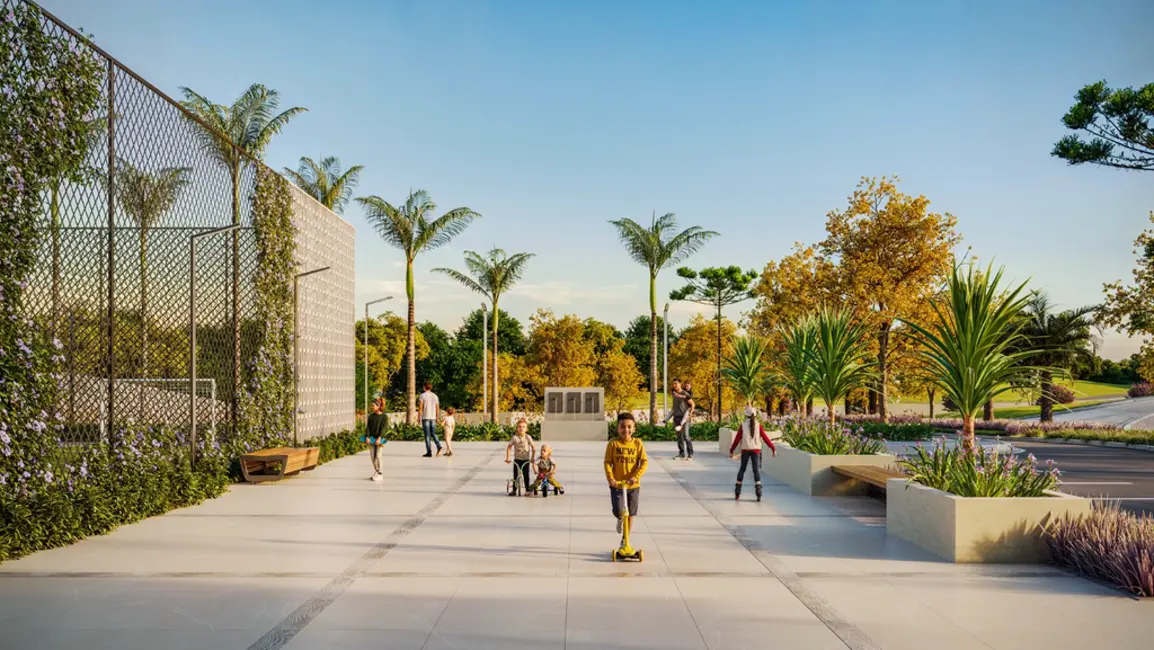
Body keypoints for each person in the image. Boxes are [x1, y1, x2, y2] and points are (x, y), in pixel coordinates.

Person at [604, 412, 648, 538]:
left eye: (629, 427)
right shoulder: (613, 444)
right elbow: (607, 462)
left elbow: (644, 462)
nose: (626, 430)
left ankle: (625, 538)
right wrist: (610, 478)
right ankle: (619, 518)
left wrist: (635, 477)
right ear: (618, 428)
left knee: (630, 513)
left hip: (633, 485)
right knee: (619, 511)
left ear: (634, 428)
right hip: (617, 485)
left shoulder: (638, 444)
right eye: (622, 426)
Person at [728, 405, 777, 501]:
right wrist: (773, 448)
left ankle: (737, 492)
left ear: (746, 415)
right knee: (756, 470)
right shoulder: (759, 426)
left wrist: (731, 451)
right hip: (756, 450)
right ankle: (758, 493)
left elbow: (737, 439)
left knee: (742, 469)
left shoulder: (743, 426)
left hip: (745, 449)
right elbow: (765, 438)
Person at [505, 418, 535, 496]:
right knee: (515, 475)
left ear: (526, 429)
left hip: (526, 460)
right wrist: (508, 458)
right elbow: (509, 447)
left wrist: (532, 457)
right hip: (517, 459)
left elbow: (533, 447)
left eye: (523, 427)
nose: (521, 428)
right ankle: (514, 490)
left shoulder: (528, 437)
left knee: (526, 475)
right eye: (519, 426)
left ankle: (527, 490)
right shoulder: (514, 437)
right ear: (517, 428)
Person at [362, 397, 388, 481]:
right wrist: (367, 437)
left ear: (378, 406)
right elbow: (368, 427)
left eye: (373, 405)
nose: (372, 407)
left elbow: (384, 428)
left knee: (378, 455)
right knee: (373, 456)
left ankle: (380, 473)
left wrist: (380, 438)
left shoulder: (384, 417)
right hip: (371, 439)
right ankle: (377, 471)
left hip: (380, 439)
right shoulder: (371, 416)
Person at [670, 379, 696, 459]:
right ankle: (681, 454)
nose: (674, 385)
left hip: (685, 418)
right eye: (673, 384)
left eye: (676, 383)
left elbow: (693, 404)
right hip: (676, 418)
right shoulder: (674, 393)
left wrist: (690, 413)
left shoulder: (685, 393)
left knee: (686, 436)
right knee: (679, 437)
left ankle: (691, 453)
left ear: (680, 384)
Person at [418, 382, 443, 457]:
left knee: (427, 435)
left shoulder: (422, 395)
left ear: (424, 387)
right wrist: (437, 417)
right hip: (433, 417)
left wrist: (418, 417)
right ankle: (439, 446)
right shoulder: (435, 396)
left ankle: (429, 452)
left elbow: (420, 408)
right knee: (433, 433)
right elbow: (437, 408)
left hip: (426, 417)